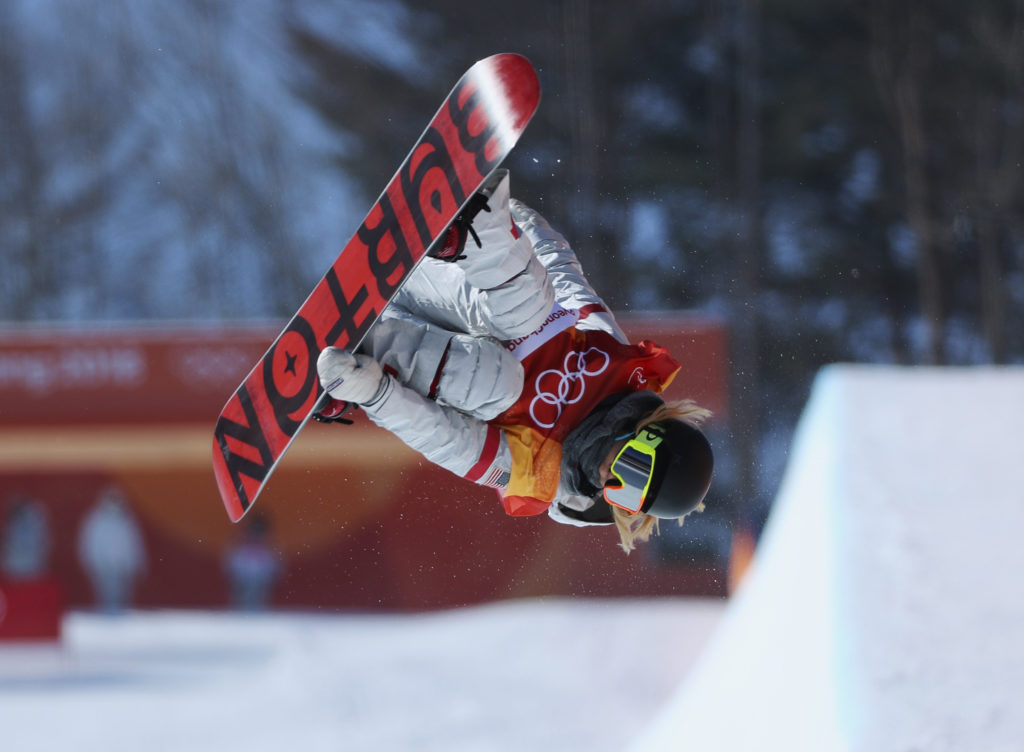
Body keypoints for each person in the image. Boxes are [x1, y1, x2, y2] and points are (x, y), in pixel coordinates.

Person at [316, 171, 714, 552]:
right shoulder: (615, 362)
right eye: (635, 470)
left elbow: (448, 441)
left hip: (400, 345)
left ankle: (364, 354)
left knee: (502, 384)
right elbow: (561, 272)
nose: (612, 478)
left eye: (625, 495)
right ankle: (474, 227)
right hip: (441, 276)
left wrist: (377, 396)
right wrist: (510, 219)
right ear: (648, 433)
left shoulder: (543, 474)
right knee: (534, 316)